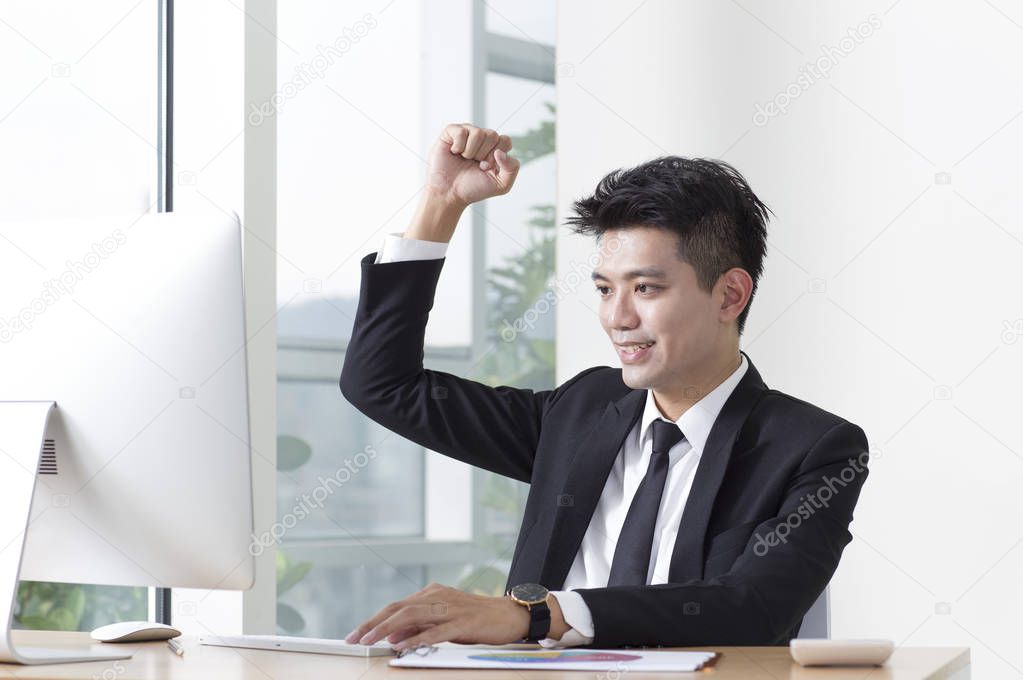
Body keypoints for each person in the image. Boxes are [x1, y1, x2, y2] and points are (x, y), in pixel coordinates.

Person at [340, 123, 869, 650]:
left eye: (645, 288)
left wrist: (540, 616)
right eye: (604, 288)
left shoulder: (814, 448)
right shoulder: (581, 410)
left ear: (729, 295)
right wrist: (441, 203)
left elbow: (750, 608)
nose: (617, 317)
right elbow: (382, 384)